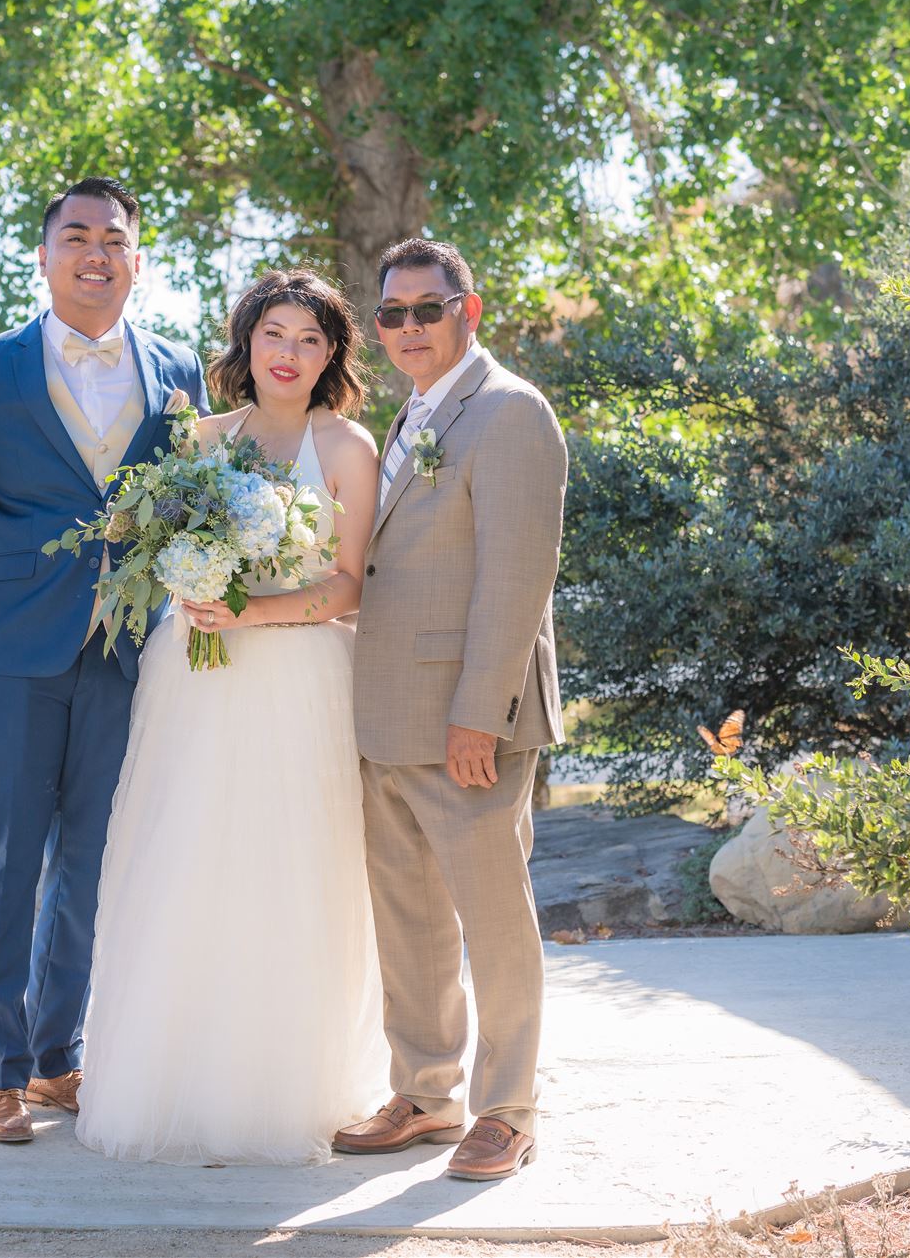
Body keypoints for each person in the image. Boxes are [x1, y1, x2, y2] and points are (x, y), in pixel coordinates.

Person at [75, 269, 386, 1166]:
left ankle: (279, 1086)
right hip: (197, 676)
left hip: (298, 676)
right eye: (274, 334)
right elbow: (152, 542)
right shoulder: (202, 438)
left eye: (310, 340)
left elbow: (346, 584)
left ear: (331, 356)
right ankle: (177, 1077)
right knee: (188, 857)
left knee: (288, 867)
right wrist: (195, 580)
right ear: (246, 342)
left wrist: (249, 611)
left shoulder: (347, 447)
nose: (288, 354)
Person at [0, 177, 208, 1143]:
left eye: (115, 239)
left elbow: (195, 501)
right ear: (44, 254)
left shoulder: (179, 370)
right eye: (77, 237)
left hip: (130, 648)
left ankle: (58, 1055)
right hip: (14, 641)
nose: (97, 253)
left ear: (138, 258)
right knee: (8, 855)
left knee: (92, 859)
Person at [332, 238, 567, 1181]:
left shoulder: (509, 412)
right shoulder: (409, 417)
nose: (408, 328)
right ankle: (427, 1091)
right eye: (392, 313)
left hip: (468, 719)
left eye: (428, 309)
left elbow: (516, 580)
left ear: (470, 311)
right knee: (410, 915)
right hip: (388, 712)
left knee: (493, 917)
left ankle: (506, 1108)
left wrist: (482, 714)